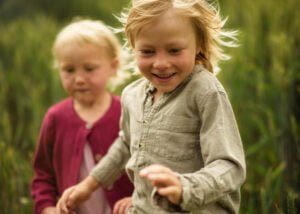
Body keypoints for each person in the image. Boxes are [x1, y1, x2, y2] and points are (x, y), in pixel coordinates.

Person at [56, 0, 246, 213]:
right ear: (133, 46)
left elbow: (230, 167)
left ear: (199, 44)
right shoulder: (132, 95)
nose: (161, 63)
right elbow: (126, 146)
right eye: (147, 52)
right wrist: (89, 185)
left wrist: (184, 188)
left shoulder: (205, 92)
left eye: (174, 50)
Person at [31, 19, 134, 214]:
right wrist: (47, 207)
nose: (78, 79)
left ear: (113, 66)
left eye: (89, 69)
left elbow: (148, 161)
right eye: (69, 70)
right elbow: (43, 174)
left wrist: (138, 197)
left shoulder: (127, 110)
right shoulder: (56, 117)